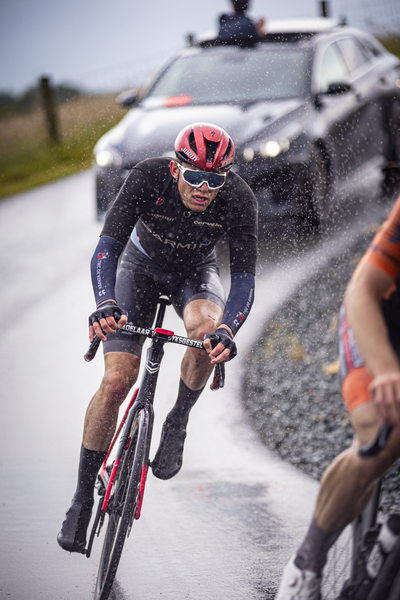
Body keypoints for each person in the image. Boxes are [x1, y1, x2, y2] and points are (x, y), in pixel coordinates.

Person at [57, 122, 258, 554]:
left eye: (214, 180)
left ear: (227, 178)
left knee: (208, 333)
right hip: (140, 268)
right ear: (175, 170)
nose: (203, 189)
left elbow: (243, 278)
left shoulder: (239, 199)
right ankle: (80, 500)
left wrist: (229, 329)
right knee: (116, 380)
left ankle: (178, 419)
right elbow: (108, 245)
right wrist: (106, 301)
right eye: (194, 177)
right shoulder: (147, 176)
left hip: (194, 273)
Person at [276, 194, 400, 599]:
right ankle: (306, 566)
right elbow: (362, 289)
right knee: (382, 433)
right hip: (379, 318)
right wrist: (386, 371)